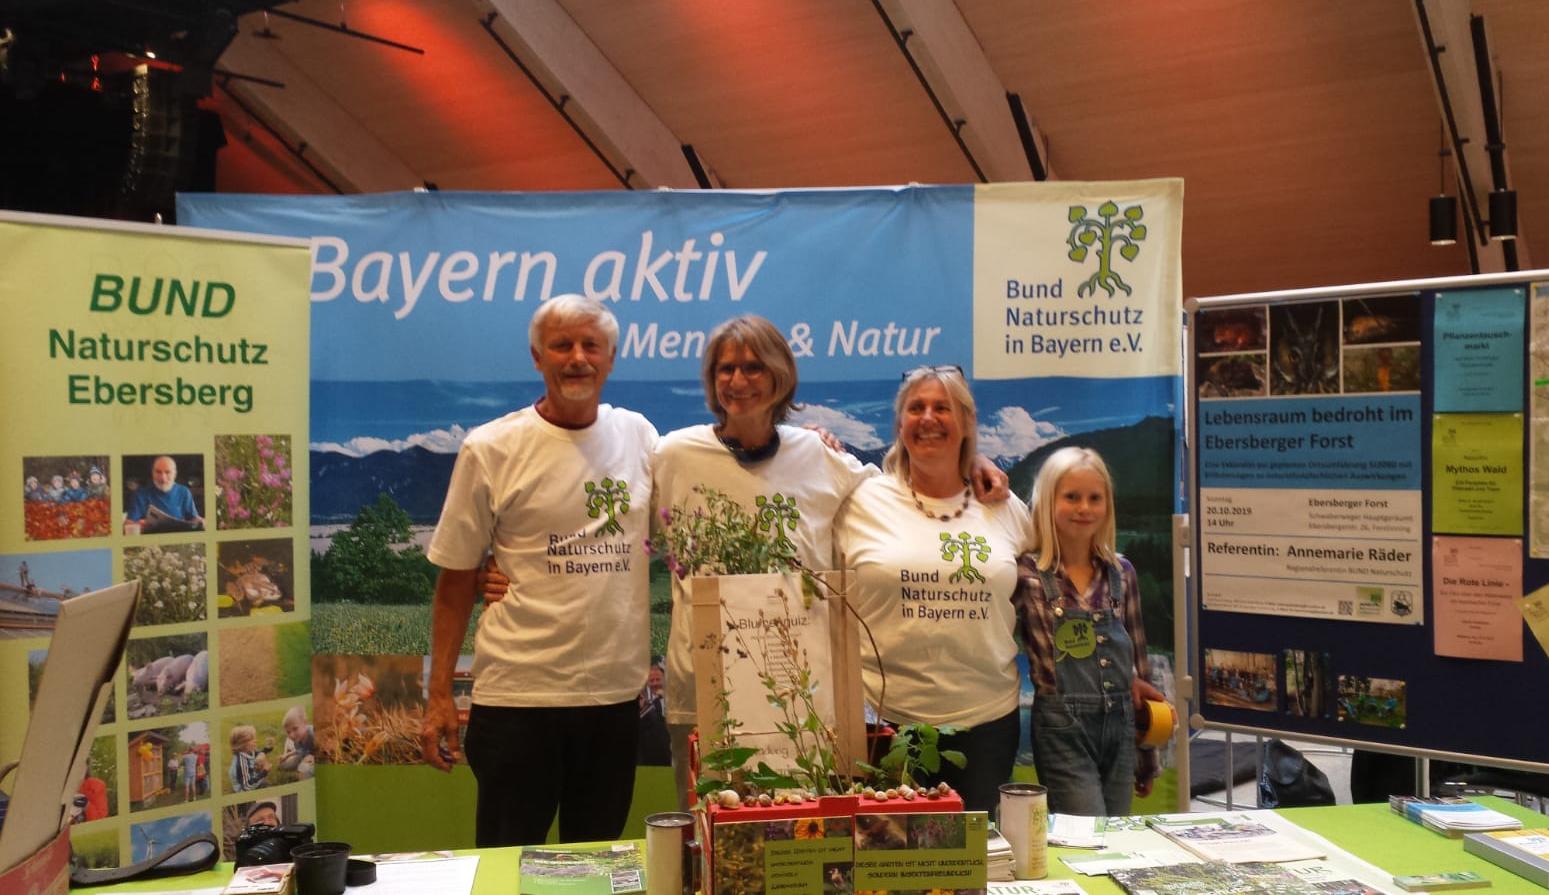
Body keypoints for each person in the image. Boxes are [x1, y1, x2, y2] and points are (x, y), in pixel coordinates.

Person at [420, 294, 656, 848]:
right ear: (536, 357)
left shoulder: (639, 436)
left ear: (611, 358)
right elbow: (455, 582)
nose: (577, 358)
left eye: (590, 345)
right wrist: (436, 701)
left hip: (612, 703)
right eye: (562, 345)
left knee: (597, 870)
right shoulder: (491, 448)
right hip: (517, 701)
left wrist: (807, 439)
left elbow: (710, 470)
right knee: (508, 865)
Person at [837, 365, 1030, 812]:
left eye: (943, 408)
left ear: (965, 423)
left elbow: (1060, 584)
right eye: (915, 408)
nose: (928, 418)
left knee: (976, 866)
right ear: (900, 424)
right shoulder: (861, 500)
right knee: (888, 868)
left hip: (987, 726)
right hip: (884, 726)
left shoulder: (1005, 508)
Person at [1015, 446, 1165, 816]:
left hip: (1121, 725)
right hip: (1061, 728)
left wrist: (1148, 754)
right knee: (1087, 833)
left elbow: (1139, 664)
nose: (1084, 508)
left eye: (1094, 498)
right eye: (1071, 497)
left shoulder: (1122, 572)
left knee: (1113, 838)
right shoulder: (1026, 575)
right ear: (1049, 501)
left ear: (1107, 505)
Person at [125, 456, 204, 533]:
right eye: (158, 472)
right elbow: (128, 524)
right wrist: (138, 525)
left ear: (175, 474)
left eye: (167, 472)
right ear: (152, 473)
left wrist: (201, 521)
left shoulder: (184, 492)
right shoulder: (141, 494)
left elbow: (194, 519)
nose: (163, 478)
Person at [637, 659, 670, 766]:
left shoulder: (672, 700)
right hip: (650, 758)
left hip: (670, 755)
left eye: (658, 679)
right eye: (652, 680)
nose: (655, 683)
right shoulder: (645, 703)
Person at [276, 705, 316, 779]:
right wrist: (287, 755)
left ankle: (301, 776)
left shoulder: (313, 733)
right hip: (304, 755)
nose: (291, 735)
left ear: (304, 723)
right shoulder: (297, 739)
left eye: (295, 729)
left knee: (304, 769)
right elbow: (300, 750)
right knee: (282, 766)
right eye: (288, 732)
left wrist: (314, 757)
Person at [229, 725, 270, 792]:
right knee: (266, 786)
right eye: (252, 739)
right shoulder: (241, 762)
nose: (255, 741)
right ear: (242, 744)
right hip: (244, 789)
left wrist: (265, 750)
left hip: (250, 776)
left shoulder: (248, 751)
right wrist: (264, 772)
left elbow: (257, 753)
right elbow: (247, 786)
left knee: (264, 782)